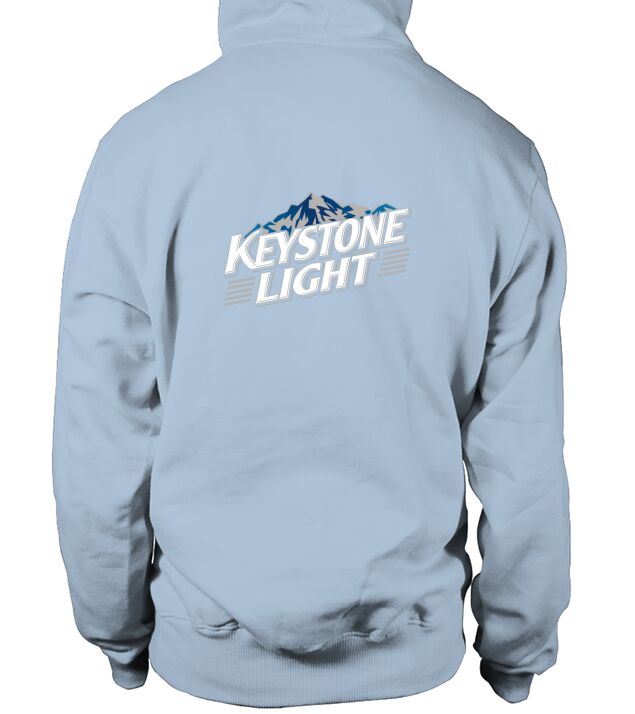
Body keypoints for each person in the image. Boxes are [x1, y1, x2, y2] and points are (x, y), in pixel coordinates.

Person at [52, 0, 571, 706]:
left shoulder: (140, 153)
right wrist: (516, 646)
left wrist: (115, 628)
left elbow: (101, 431)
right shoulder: (493, 155)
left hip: (201, 654)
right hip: (416, 660)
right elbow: (523, 447)